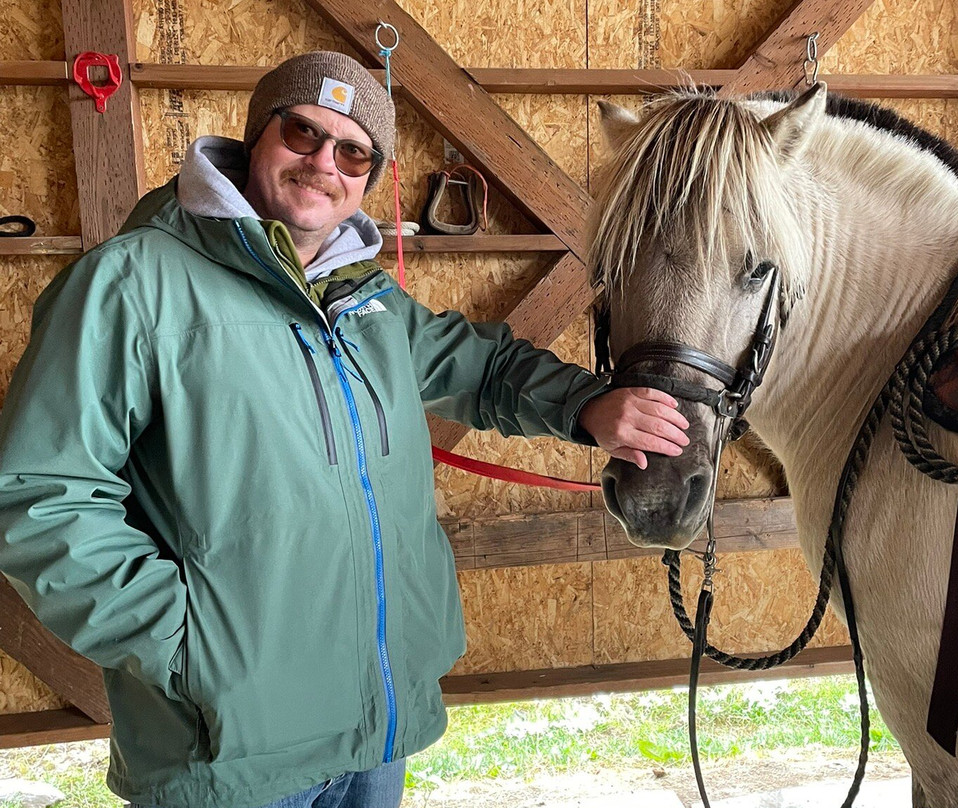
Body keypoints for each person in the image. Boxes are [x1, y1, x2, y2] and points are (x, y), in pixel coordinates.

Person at [0, 52, 689, 808]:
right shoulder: (131, 285)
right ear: (256, 137)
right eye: (303, 132)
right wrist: (189, 646)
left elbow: (479, 369)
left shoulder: (363, 296)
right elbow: (41, 499)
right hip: (234, 755)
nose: (325, 161)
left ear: (369, 175)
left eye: (353, 150)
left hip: (373, 733)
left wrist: (586, 405)